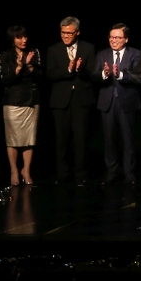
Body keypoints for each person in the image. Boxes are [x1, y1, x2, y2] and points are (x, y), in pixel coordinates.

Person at [45, 16, 96, 186]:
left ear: (77, 32)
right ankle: (63, 174)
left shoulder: (88, 48)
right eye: (63, 32)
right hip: (61, 101)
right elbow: (50, 74)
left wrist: (81, 69)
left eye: (69, 33)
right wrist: (68, 69)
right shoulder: (53, 50)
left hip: (81, 99)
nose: (65, 36)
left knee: (81, 139)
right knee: (61, 140)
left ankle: (81, 174)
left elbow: (93, 74)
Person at [95, 23, 141, 184]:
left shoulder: (135, 54)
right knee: (109, 139)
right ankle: (112, 172)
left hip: (127, 102)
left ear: (126, 39)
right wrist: (105, 74)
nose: (114, 40)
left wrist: (120, 75)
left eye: (118, 37)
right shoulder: (102, 54)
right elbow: (94, 76)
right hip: (107, 102)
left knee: (128, 139)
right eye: (111, 37)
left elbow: (139, 77)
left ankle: (129, 173)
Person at [0, 25, 41, 186]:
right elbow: (5, 79)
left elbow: (40, 75)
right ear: (12, 39)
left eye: (25, 37)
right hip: (13, 100)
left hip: (31, 98)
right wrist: (19, 66)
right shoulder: (5, 56)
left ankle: (26, 170)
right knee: (13, 138)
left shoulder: (34, 52)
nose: (24, 40)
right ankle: (14, 171)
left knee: (29, 138)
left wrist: (29, 65)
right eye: (19, 37)